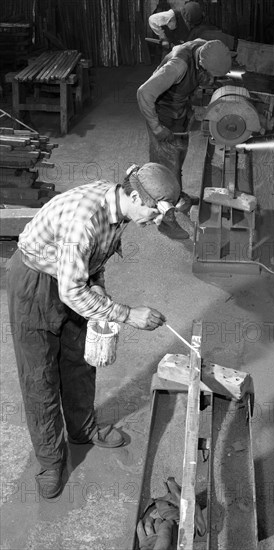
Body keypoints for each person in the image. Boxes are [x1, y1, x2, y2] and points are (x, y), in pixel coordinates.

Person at [6, 162, 181, 499]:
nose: (156, 222)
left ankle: (82, 430)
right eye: (154, 213)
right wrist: (128, 315)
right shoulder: (84, 221)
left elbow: (92, 259)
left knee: (79, 361)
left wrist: (97, 283)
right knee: (40, 375)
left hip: (73, 278)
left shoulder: (120, 206)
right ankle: (50, 460)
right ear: (134, 195)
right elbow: (70, 293)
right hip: (35, 285)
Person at [137, 38, 232, 239]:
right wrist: (156, 127)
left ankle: (178, 196)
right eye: (211, 76)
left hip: (179, 112)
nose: (213, 81)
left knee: (177, 158)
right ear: (201, 65)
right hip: (162, 117)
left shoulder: (205, 48)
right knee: (164, 170)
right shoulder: (178, 66)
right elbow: (144, 93)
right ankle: (165, 220)